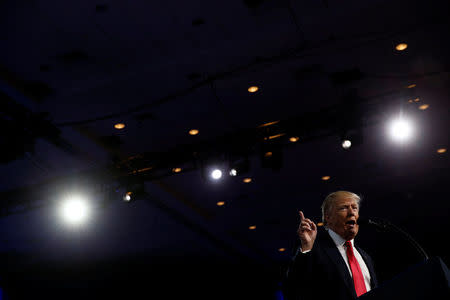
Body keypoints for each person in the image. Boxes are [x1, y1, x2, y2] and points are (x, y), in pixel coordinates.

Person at [283, 191, 378, 300]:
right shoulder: (313, 249)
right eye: (344, 208)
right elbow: (293, 289)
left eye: (355, 208)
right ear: (328, 218)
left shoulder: (365, 257)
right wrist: (307, 247)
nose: (352, 212)